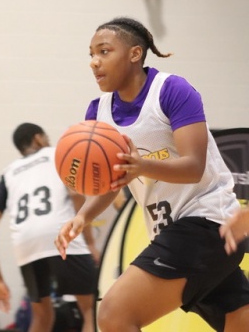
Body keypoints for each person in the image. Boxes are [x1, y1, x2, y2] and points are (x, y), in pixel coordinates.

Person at [54, 17, 249, 332]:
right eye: (91, 54)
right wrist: (83, 217)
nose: (94, 61)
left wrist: (141, 166)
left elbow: (194, 166)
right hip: (174, 232)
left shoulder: (171, 91)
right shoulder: (98, 112)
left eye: (104, 51)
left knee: (114, 314)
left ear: (135, 54)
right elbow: (113, 181)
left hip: (206, 223)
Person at [0, 123, 97, 332]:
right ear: (38, 138)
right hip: (59, 233)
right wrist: (90, 243)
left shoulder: (9, 173)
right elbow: (76, 195)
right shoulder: (58, 154)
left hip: (25, 245)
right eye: (46, 137)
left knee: (42, 316)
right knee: (91, 310)